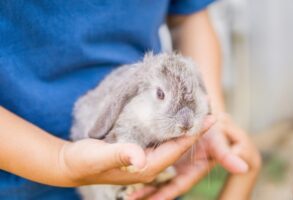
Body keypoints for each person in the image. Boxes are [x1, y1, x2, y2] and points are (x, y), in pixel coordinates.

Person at [0, 1, 261, 200]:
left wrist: (211, 118)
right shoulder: (126, 95)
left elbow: (189, 17)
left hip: (144, 181)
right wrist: (60, 160)